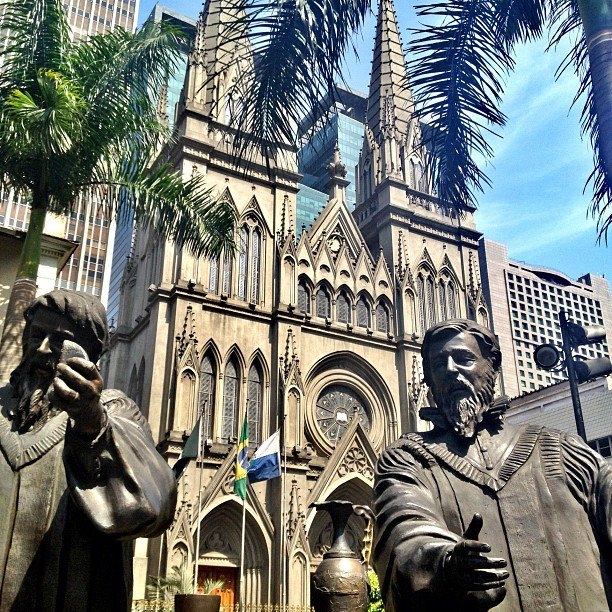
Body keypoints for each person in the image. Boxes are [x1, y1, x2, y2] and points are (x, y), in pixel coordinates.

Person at [373, 319, 612, 611]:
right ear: (428, 381)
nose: (450, 370)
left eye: (464, 358)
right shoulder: (409, 459)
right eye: (438, 364)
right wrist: (446, 564)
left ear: (493, 368)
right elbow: (404, 533)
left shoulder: (560, 450)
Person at [0, 290, 177, 611]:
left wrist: (92, 423)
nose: (41, 349)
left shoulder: (115, 411)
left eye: (58, 341)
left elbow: (154, 506)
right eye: (36, 335)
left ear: (88, 354)